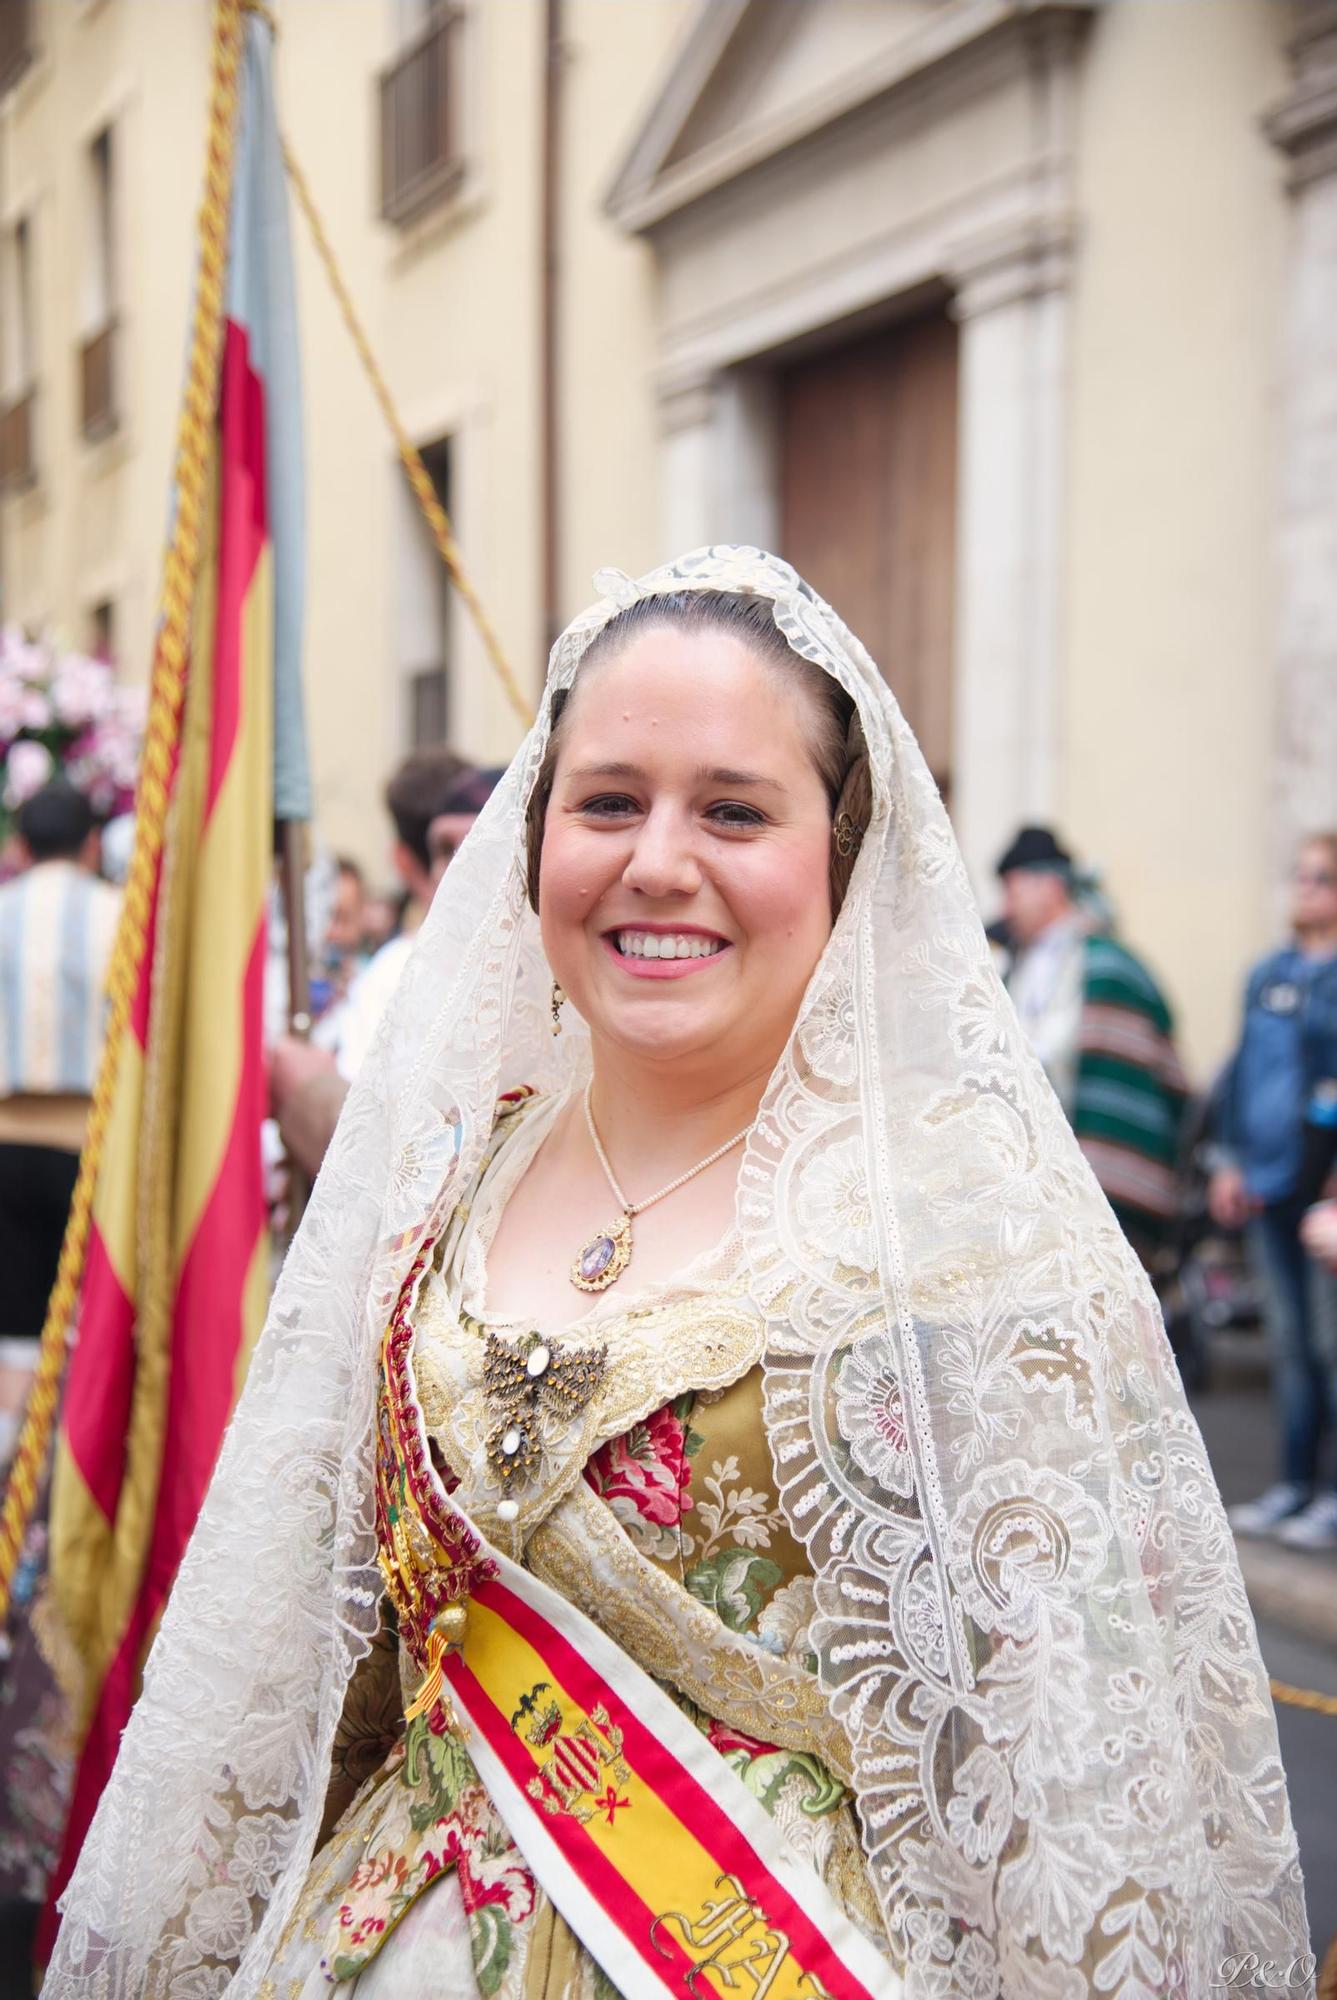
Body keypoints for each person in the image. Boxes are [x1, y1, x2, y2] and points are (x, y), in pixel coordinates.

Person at [48, 553, 1305, 2000]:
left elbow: (1077, 1800)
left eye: (733, 810)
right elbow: (328, 1672)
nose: (656, 860)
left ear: (842, 855)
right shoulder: (443, 1188)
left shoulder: (968, 1246)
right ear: (533, 843)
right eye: (606, 801)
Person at [271, 764, 505, 1182]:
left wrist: (311, 1092)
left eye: (481, 844)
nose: (458, 868)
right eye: (444, 851)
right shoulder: (401, 972)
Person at [1210, 834, 1337, 1549]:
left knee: (1328, 1344)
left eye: (1321, 878)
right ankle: (1292, 1484)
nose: (1305, 888)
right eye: (1301, 875)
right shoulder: (1266, 973)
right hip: (1265, 1180)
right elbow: (1239, 1074)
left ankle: (1330, 1494)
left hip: (1323, 1189)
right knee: (1289, 1344)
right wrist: (1228, 1162)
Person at [996, 825, 1188, 1271]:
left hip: (1102, 1175)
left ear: (1050, 887)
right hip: (1039, 1185)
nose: (1005, 907)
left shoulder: (1106, 965)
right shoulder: (1019, 965)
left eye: (1013, 891)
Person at [0, 780, 119, 1463]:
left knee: (15, 1325)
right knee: (91, 1318)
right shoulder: (119, 912)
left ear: (19, 846)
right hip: (92, 1147)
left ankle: (12, 1471)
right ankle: (76, 1473)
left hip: (5, 1144)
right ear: (92, 844)